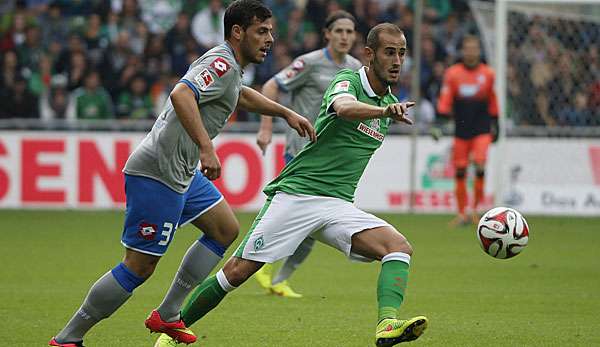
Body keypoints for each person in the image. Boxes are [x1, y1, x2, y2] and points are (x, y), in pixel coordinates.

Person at [49, 1, 315, 346]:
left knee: (224, 229)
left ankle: (169, 313)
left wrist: (284, 113)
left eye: (271, 32)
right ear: (238, 32)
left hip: (182, 171)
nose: (270, 39)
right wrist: (207, 147)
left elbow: (239, 97)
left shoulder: (231, 69)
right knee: (139, 266)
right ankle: (68, 339)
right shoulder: (220, 62)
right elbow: (181, 94)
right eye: (262, 31)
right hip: (158, 171)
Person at [155, 23, 428, 347]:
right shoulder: (349, 82)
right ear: (369, 55)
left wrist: (385, 108)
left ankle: (386, 325)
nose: (397, 61)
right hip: (296, 196)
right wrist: (382, 109)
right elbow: (342, 107)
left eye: (401, 53)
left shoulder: (391, 106)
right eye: (389, 52)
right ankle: (173, 332)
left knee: (398, 248)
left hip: (337, 205)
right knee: (238, 272)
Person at [253, 10, 362, 299]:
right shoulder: (310, 63)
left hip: (329, 160)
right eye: (339, 31)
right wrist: (266, 128)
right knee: (293, 217)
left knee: (316, 222)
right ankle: (259, 259)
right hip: (300, 154)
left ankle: (280, 279)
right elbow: (271, 85)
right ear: (327, 34)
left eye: (349, 32)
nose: (344, 36)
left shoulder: (355, 68)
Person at [434, 35, 499, 226]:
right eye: (468, 48)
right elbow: (446, 98)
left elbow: (493, 99)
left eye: (474, 48)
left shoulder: (488, 74)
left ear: (479, 51)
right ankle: (462, 213)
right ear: (463, 51)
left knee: (480, 164)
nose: (471, 52)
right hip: (461, 128)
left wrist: (497, 122)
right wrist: (440, 119)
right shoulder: (453, 73)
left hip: (482, 128)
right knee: (460, 170)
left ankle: (475, 211)